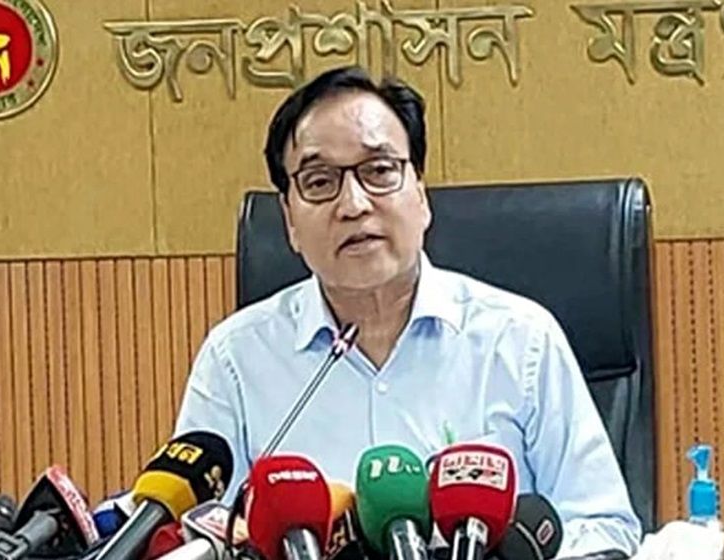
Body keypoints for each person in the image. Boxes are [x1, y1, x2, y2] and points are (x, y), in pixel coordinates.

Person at [174, 65, 641, 556]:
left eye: (379, 171)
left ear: (420, 193)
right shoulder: (236, 359)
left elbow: (601, 524)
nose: (354, 204)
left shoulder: (520, 340)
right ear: (289, 219)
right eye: (319, 181)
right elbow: (199, 537)